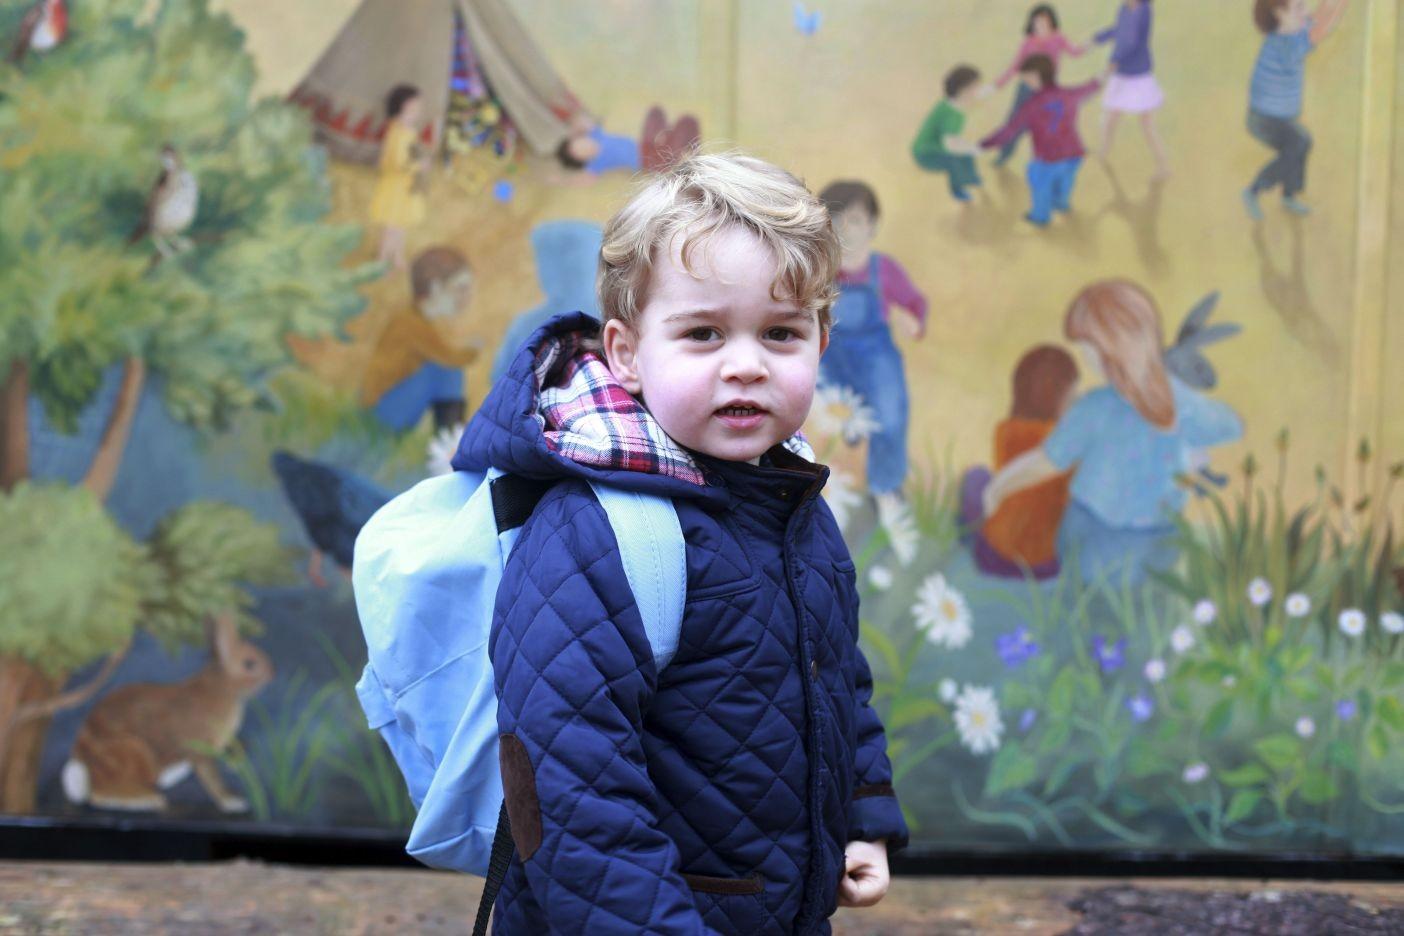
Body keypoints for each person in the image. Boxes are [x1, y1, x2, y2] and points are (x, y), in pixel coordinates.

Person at [449, 152, 907, 933]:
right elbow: (571, 792)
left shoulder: (792, 500)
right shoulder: (596, 530)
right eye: (702, 334)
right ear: (626, 352)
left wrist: (861, 817)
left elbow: (834, 679)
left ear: (822, 341)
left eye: (780, 333)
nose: (745, 367)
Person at [981, 281, 1243, 585]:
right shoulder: (1179, 400)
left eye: (1087, 349)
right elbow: (1230, 426)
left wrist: (999, 486)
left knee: (1087, 596)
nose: (1086, 358)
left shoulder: (1095, 407)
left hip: (1094, 538)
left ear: (1112, 347)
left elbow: (1047, 462)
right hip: (1159, 544)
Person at [816, 181, 928, 521]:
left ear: (872, 226)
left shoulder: (884, 270)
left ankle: (885, 487)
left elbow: (913, 301)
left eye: (855, 220)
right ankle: (848, 431)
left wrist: (913, 318)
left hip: (876, 355)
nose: (845, 229)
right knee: (822, 399)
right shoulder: (821, 269)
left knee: (891, 415)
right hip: (832, 354)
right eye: (836, 220)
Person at [960, 345, 1079, 579]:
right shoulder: (1065, 446)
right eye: (1073, 396)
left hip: (991, 555)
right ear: (1059, 398)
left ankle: (966, 535)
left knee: (976, 477)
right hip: (1044, 568)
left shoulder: (1005, 431)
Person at [1242, 0, 1350, 220]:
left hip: (1277, 117)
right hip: (1264, 119)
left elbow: (1319, 16)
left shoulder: (1292, 31)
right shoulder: (1285, 45)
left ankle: (1288, 195)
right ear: (1279, 14)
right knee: (1299, 143)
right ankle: (1254, 190)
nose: (1306, 12)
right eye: (1299, 7)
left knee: (1300, 144)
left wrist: (1332, 4)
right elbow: (1321, 28)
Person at [360, 246, 479, 432]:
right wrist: (473, 349)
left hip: (387, 409)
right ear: (435, 287)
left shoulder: (419, 320)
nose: (466, 298)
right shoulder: (411, 323)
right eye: (460, 289)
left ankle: (450, 442)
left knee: (446, 369)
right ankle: (450, 444)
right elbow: (450, 357)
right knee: (447, 370)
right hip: (380, 414)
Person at [980, 54, 1102, 227]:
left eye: (1026, 78)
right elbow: (1091, 87)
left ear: (1035, 76)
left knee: (1040, 185)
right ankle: (1061, 204)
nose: (1024, 82)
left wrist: (983, 145)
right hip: (1074, 153)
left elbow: (1009, 131)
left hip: (1048, 158)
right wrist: (1101, 78)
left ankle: (1040, 216)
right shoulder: (1070, 94)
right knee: (1066, 181)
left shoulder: (1031, 105)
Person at [992, 5, 1088, 167]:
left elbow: (1075, 52)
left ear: (1052, 22)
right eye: (1037, 22)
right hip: (1025, 89)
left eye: (1044, 22)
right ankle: (1004, 154)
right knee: (1015, 122)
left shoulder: (1059, 38)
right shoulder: (1028, 42)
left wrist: (1090, 43)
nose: (1040, 25)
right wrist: (1000, 82)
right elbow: (1016, 65)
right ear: (1032, 23)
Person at [1093, 0, 1170, 178]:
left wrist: (1113, 62)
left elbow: (1131, 40)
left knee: (1147, 124)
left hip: (1138, 75)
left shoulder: (1144, 10)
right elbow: (1119, 30)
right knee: (1110, 117)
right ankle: (1103, 153)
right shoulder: (1124, 8)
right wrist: (1098, 38)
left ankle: (1163, 166)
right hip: (1122, 74)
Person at [369, 84, 430, 271]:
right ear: (401, 110)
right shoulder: (397, 132)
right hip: (396, 187)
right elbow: (397, 162)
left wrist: (420, 159)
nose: (416, 114)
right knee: (391, 228)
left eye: (417, 110)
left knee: (401, 224)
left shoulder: (407, 130)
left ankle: (397, 256)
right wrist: (418, 165)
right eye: (412, 110)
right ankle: (381, 260)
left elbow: (411, 152)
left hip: (405, 186)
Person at [911, 65, 987, 202]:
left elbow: (951, 139)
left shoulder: (949, 103)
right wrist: (972, 148)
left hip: (936, 145)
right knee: (955, 163)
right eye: (976, 87)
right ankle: (957, 189)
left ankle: (972, 178)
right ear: (963, 91)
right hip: (926, 155)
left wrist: (968, 148)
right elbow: (950, 146)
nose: (979, 90)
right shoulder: (953, 116)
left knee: (967, 154)